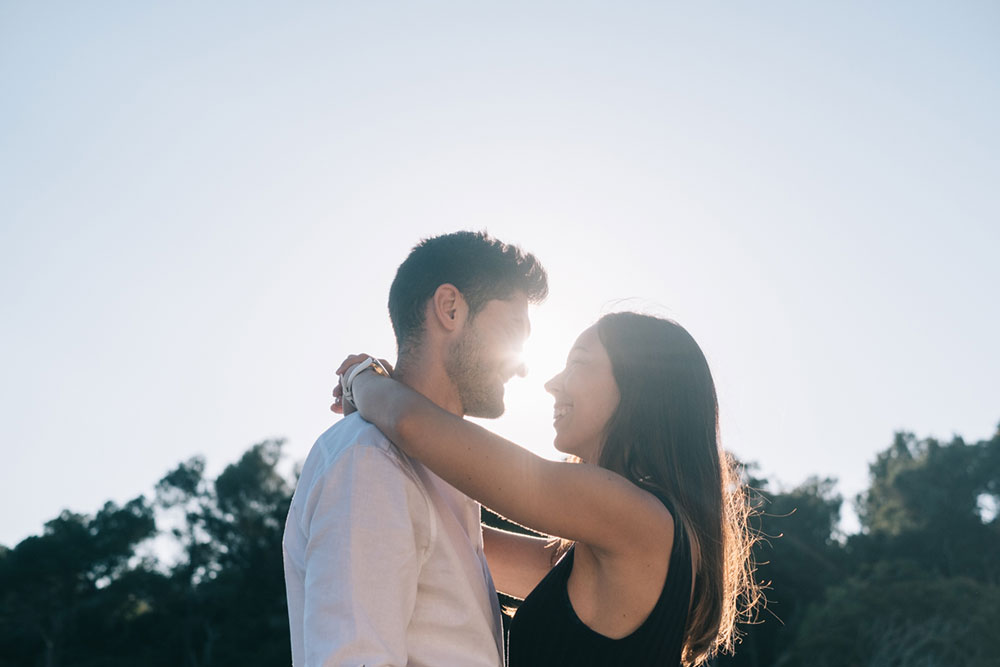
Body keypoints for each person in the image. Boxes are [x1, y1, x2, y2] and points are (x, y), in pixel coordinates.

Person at [338, 312, 760, 666]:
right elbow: (455, 539)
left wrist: (363, 379)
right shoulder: (621, 541)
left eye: (578, 363)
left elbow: (413, 426)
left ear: (639, 384)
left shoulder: (633, 515)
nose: (552, 383)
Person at [282, 231, 548, 666]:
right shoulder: (370, 460)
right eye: (514, 329)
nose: (522, 366)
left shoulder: (443, 481)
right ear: (450, 308)